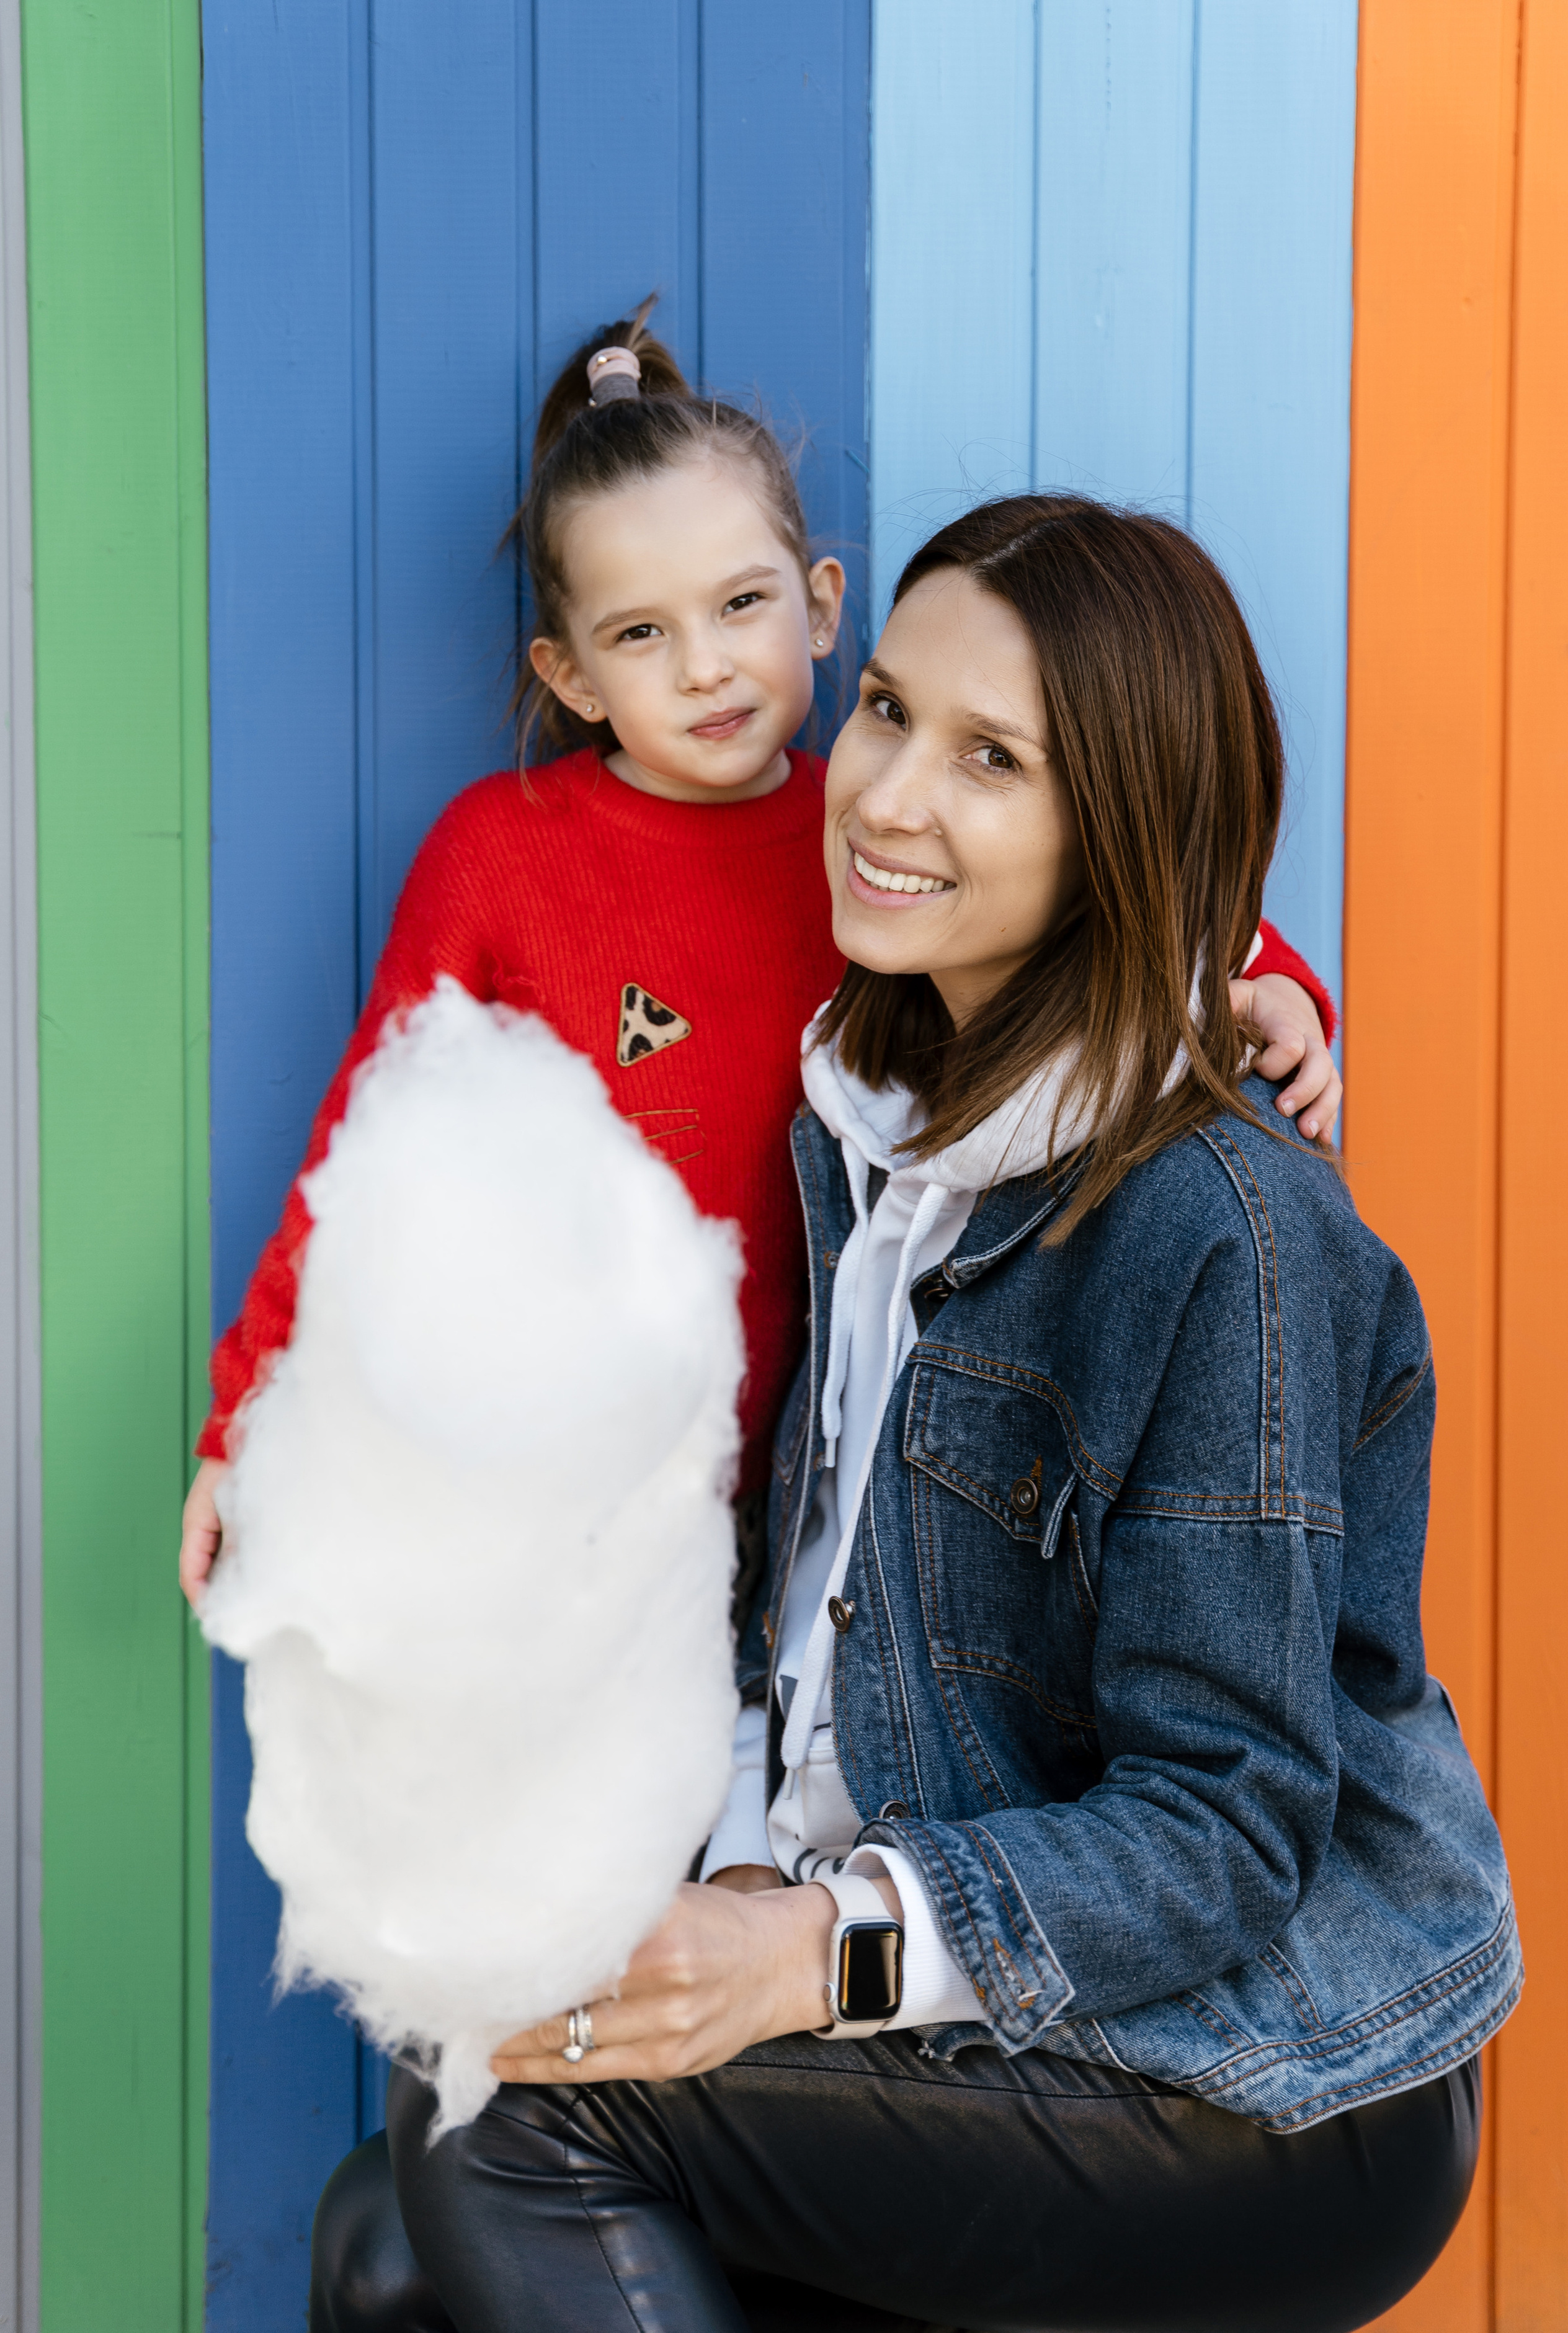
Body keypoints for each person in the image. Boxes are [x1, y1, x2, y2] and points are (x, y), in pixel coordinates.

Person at [187, 301, 1335, 2329]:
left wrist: (1273, 985)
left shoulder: (931, 939)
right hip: (651, 1554)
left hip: (883, 1593)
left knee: (502, 2117)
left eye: (744, 610)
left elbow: (1143, 885)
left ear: (811, 601)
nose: (711, 672)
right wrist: (247, 1420)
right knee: (425, 2149)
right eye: (640, 636)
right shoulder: (566, 863)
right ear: (565, 673)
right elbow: (374, 1160)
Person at [362, 496, 1517, 2333]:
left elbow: (1226, 1829)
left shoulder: (1218, 1228)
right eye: (889, 711)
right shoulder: (869, 1132)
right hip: (991, 1974)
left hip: (1268, 2070)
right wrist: (727, 1878)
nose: (889, 794)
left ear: (1120, 823)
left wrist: (814, 1945)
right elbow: (823, 1603)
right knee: (394, 2240)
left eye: (995, 760)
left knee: (504, 2132)